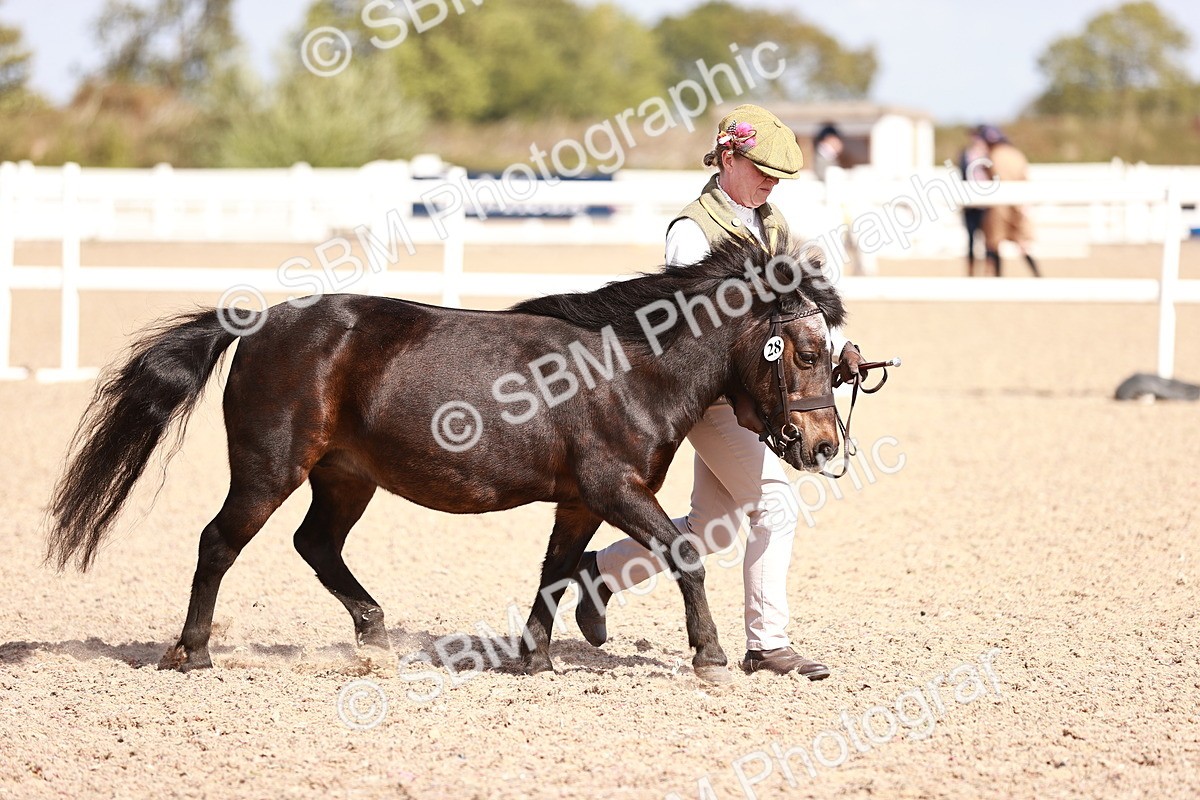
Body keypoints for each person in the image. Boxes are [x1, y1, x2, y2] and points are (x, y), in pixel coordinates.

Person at [572, 104, 866, 680]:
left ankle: (599, 574)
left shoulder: (772, 224)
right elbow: (695, 333)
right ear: (728, 157)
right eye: (762, 171)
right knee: (775, 507)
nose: (771, 183)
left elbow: (798, 307)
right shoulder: (691, 231)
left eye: (777, 176)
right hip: (711, 401)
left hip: (753, 392)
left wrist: (838, 347)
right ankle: (767, 644)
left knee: (714, 526)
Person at [977, 125, 1041, 277]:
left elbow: (989, 179)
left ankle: (998, 277)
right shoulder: (1015, 154)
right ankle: (1037, 276)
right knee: (1022, 243)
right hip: (1018, 202)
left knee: (994, 242)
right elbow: (1024, 177)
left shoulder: (992, 156)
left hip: (999, 205)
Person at [958, 128, 990, 276]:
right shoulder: (965, 154)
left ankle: (989, 271)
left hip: (986, 203)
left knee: (988, 239)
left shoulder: (988, 154)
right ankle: (971, 271)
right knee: (971, 238)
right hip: (970, 204)